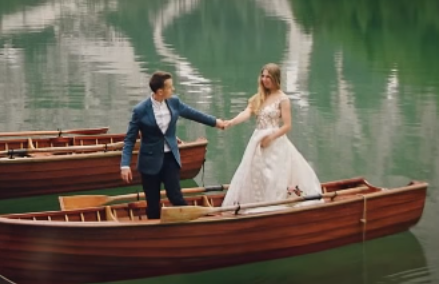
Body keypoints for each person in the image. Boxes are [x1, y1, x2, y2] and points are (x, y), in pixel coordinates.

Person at [120, 71, 227, 220]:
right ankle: (155, 234)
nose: (173, 89)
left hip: (170, 157)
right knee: (152, 204)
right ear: (159, 91)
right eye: (170, 87)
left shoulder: (174, 102)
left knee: (176, 196)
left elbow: (193, 113)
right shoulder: (140, 110)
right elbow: (130, 139)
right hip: (149, 161)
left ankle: (191, 224)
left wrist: (216, 122)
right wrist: (125, 165)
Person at [220, 63, 321, 210]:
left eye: (268, 77)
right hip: (257, 141)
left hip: (275, 141)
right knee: (255, 173)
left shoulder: (283, 99)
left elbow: (287, 125)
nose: (265, 79)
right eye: (263, 76)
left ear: (276, 79)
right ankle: (255, 204)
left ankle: (276, 205)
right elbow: (246, 113)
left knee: (274, 176)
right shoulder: (259, 97)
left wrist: (270, 138)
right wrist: (231, 122)